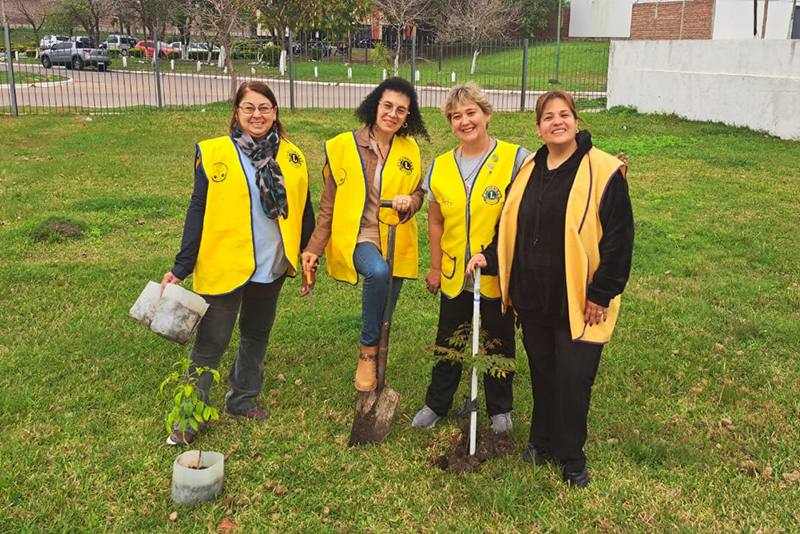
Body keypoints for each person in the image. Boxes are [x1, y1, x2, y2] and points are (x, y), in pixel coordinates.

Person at [466, 90, 634, 488]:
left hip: (580, 299)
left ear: (576, 121)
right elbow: (511, 224)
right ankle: (540, 442)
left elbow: (618, 240)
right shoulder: (527, 170)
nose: (557, 122)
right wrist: (489, 255)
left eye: (564, 115)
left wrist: (601, 293)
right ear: (538, 128)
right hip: (534, 296)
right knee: (542, 373)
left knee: (574, 379)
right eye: (548, 117)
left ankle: (572, 458)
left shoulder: (604, 170)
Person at [161, 81, 316, 446]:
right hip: (224, 263)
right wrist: (181, 266)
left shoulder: (292, 156)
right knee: (210, 343)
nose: (257, 115)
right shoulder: (214, 153)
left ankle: (242, 398)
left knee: (256, 335)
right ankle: (189, 415)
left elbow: (303, 209)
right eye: (249, 108)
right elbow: (197, 209)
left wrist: (309, 260)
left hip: (272, 265)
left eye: (264, 107)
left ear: (275, 113)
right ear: (237, 112)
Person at [411, 82, 531, 433]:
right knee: (449, 339)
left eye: (471, 112)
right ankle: (437, 403)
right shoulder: (441, 166)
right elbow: (434, 220)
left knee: (498, 339)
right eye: (455, 116)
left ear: (487, 114)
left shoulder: (515, 159)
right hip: (454, 274)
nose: (464, 121)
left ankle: (499, 409)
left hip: (496, 274)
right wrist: (435, 267)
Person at [301, 77, 428, 392]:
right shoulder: (344, 146)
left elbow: (419, 193)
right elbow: (328, 205)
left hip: (394, 235)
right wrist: (313, 249)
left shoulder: (409, 148)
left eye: (401, 110)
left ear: (407, 117)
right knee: (377, 271)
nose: (393, 114)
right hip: (359, 236)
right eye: (388, 106)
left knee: (387, 307)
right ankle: (367, 353)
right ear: (376, 105)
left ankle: (381, 366)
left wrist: (409, 202)